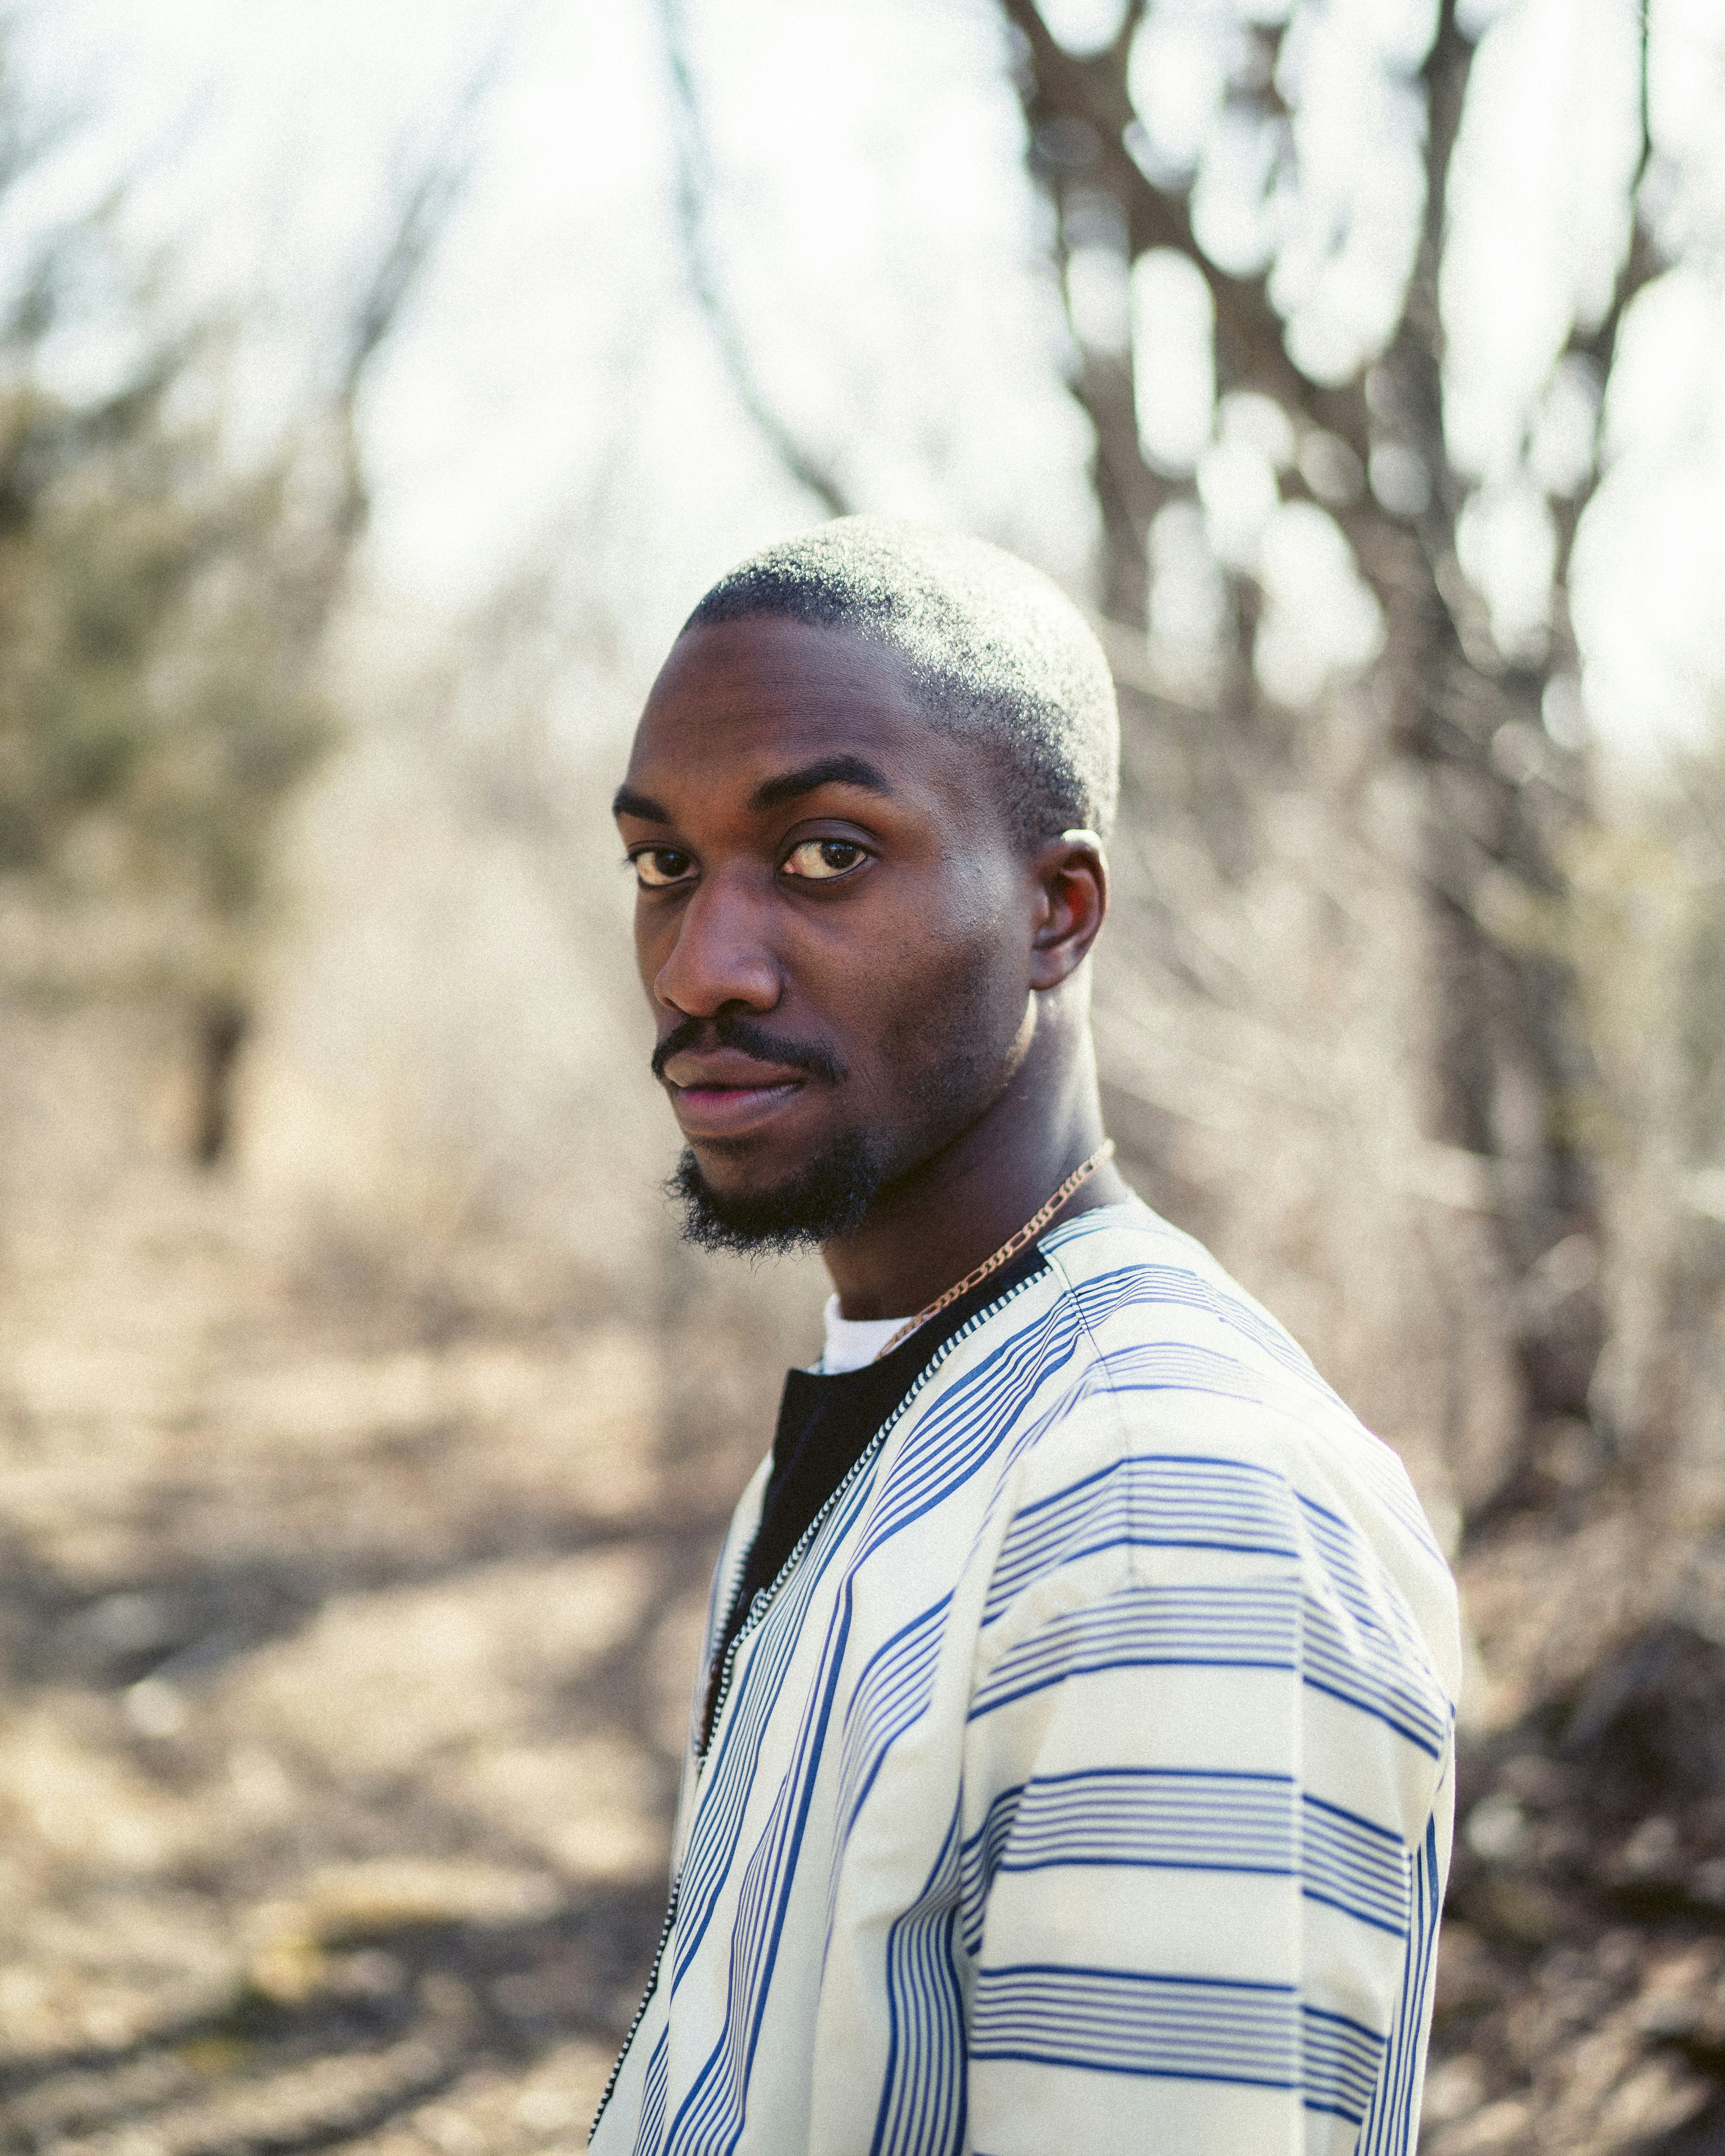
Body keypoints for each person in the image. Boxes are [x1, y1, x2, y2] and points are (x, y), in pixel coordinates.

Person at [592, 517, 1460, 2156]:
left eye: (828, 852)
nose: (702, 963)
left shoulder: (1165, 1498)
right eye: (664, 862)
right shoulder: (912, 1384)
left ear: (1058, 911)